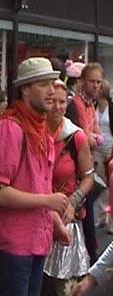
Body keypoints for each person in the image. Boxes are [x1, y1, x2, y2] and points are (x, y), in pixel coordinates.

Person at [0, 57, 71, 296]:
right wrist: (48, 202)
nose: (52, 92)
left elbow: (39, 187)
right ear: (25, 89)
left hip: (37, 241)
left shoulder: (41, 128)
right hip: (13, 245)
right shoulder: (10, 127)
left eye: (53, 84)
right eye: (43, 84)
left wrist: (55, 222)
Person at [42, 80, 94, 296]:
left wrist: (72, 202)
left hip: (66, 219)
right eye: (52, 101)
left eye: (62, 102)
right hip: (37, 218)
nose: (57, 106)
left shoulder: (76, 136)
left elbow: (88, 177)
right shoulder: (34, 133)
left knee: (64, 287)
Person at [66, 63, 104, 265]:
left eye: (99, 81)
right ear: (82, 82)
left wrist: (94, 138)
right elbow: (80, 137)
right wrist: (93, 138)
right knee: (82, 213)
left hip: (88, 164)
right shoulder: (75, 105)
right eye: (92, 81)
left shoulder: (91, 105)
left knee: (85, 213)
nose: (96, 85)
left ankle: (89, 255)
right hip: (75, 168)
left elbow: (96, 135)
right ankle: (91, 256)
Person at [93, 79, 113, 233]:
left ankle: (110, 219)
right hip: (97, 148)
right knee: (102, 183)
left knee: (111, 184)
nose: (95, 89)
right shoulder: (93, 106)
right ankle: (101, 217)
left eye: (99, 87)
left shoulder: (111, 107)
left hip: (110, 147)